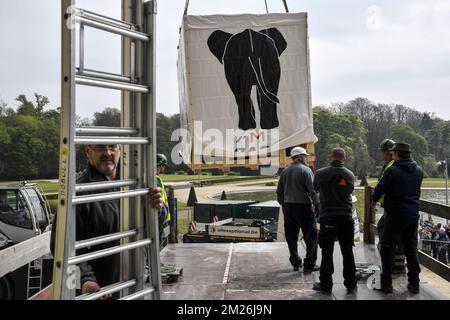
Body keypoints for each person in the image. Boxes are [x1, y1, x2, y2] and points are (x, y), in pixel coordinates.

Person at [51, 144, 163, 299]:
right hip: (99, 292)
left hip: (136, 286)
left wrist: (156, 209)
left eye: (112, 147)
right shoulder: (77, 193)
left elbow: (152, 230)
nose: (107, 153)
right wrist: (85, 279)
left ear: (120, 151)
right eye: (99, 148)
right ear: (88, 152)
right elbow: (62, 245)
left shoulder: (135, 185)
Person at [372, 142, 423, 294]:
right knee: (411, 249)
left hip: (394, 215)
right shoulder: (419, 170)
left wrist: (373, 201)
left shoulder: (392, 171)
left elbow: (380, 189)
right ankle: (414, 283)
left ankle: (387, 284)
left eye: (393, 154)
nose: (392, 156)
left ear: (397, 155)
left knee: (387, 248)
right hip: (412, 215)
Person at [312, 148, 357, 294]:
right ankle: (350, 283)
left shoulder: (320, 173)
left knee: (327, 251)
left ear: (331, 157)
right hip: (346, 217)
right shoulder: (350, 175)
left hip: (328, 217)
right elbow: (348, 192)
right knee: (347, 251)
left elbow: (315, 189)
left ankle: (326, 284)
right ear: (345, 159)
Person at [276, 146, 319, 272]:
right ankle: (309, 263)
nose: (306, 158)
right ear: (300, 157)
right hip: (303, 207)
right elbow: (312, 191)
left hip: (288, 207)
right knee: (311, 236)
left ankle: (295, 262)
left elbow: (279, 192)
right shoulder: (306, 171)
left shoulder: (284, 171)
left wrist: (284, 204)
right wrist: (317, 205)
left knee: (291, 236)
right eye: (305, 156)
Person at [375, 139, 406, 274]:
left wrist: (374, 199)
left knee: (385, 231)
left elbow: (383, 185)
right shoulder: (394, 165)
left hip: (393, 207)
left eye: (381, 151)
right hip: (398, 206)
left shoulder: (391, 166)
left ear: (387, 152)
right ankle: (397, 262)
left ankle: (391, 262)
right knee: (396, 234)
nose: (380, 154)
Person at [156, 153, 171, 250]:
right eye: (163, 166)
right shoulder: (156, 179)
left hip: (163, 218)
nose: (164, 168)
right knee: (160, 244)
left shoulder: (157, 179)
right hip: (160, 219)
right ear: (160, 165)